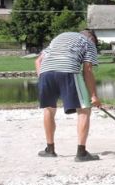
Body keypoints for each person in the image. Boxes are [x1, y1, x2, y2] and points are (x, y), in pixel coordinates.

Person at [35, 29, 103, 162]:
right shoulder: (89, 43)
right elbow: (87, 70)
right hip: (68, 71)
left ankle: (50, 150)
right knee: (84, 109)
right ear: (92, 39)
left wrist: (43, 79)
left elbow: (38, 61)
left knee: (49, 108)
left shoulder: (59, 37)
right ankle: (81, 153)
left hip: (45, 73)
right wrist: (94, 96)